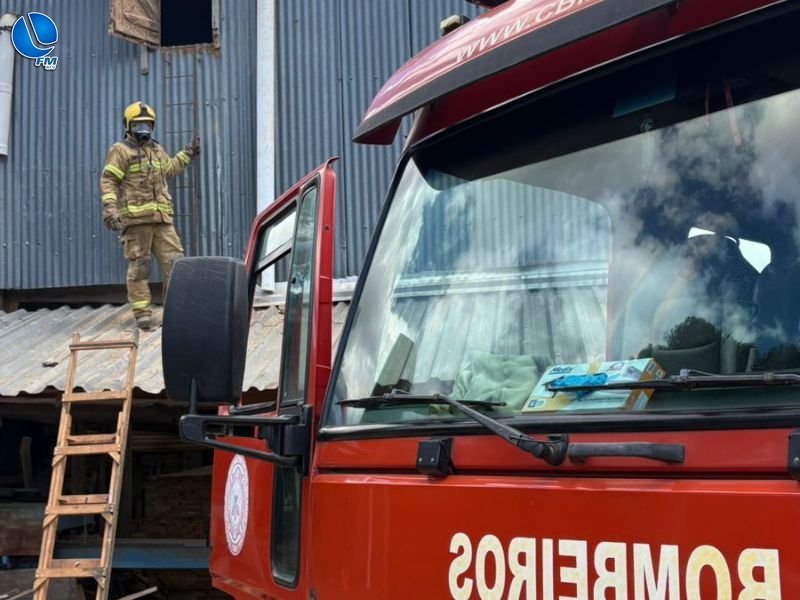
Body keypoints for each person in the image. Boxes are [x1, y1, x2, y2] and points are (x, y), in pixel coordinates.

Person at [99, 101, 200, 330]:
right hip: (136, 223)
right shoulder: (120, 150)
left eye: (147, 124)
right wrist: (110, 209)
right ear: (128, 126)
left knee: (176, 264)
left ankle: (178, 311)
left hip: (162, 221)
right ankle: (142, 314)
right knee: (140, 269)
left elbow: (170, 169)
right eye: (138, 125)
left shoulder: (156, 149)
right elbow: (109, 180)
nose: (143, 129)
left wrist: (187, 154)